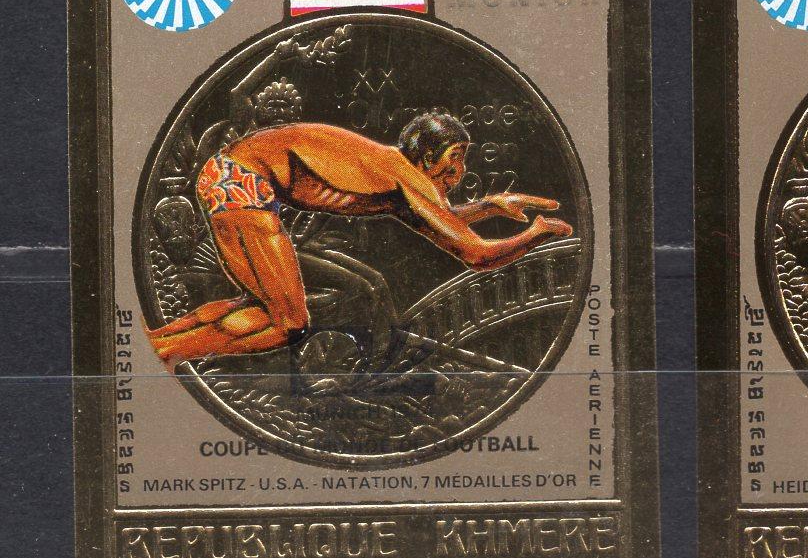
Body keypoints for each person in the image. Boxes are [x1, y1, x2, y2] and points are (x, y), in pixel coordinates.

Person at [147, 111, 572, 369]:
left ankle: (159, 341)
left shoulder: (392, 173)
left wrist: (491, 206)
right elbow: (476, 255)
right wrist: (536, 234)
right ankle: (167, 355)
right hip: (244, 183)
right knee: (288, 323)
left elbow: (440, 220)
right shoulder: (404, 175)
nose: (458, 172)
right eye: (455, 157)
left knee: (263, 307)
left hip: (231, 177)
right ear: (428, 156)